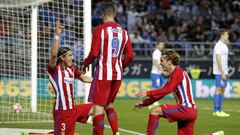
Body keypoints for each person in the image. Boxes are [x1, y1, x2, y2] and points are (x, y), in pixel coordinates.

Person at [81, 3, 134, 135]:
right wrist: (121, 66)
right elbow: (130, 55)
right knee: (108, 104)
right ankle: (116, 132)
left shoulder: (99, 30)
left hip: (103, 74)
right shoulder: (124, 32)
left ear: (102, 14)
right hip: (117, 75)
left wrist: (85, 63)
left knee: (98, 108)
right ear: (115, 14)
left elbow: (93, 53)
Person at [135, 49, 197, 135]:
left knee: (155, 111)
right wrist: (144, 102)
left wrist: (147, 93)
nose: (160, 63)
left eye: (162, 60)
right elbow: (163, 92)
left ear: (169, 62)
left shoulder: (178, 72)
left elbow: (167, 90)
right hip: (191, 111)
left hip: (185, 109)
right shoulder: (175, 74)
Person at [47, 20, 93, 135]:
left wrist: (101, 80)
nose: (72, 58)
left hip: (74, 109)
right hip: (61, 112)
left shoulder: (72, 68)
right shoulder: (54, 70)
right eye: (70, 55)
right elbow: (53, 55)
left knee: (98, 107)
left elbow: (83, 78)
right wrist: (57, 36)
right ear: (62, 58)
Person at [212, 29, 230, 117]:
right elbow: (218, 59)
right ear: (222, 35)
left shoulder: (224, 45)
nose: (228, 36)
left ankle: (220, 109)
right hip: (219, 71)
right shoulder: (218, 45)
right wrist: (222, 72)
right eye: (227, 34)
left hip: (224, 71)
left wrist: (225, 72)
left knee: (223, 90)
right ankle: (216, 110)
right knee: (218, 89)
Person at [148, 40, 165, 110]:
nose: (162, 46)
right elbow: (155, 62)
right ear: (157, 45)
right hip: (155, 73)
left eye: (163, 45)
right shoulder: (156, 52)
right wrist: (161, 69)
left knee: (159, 88)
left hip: (159, 73)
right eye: (161, 45)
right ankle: (151, 102)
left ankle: (153, 101)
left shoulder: (160, 53)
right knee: (154, 88)